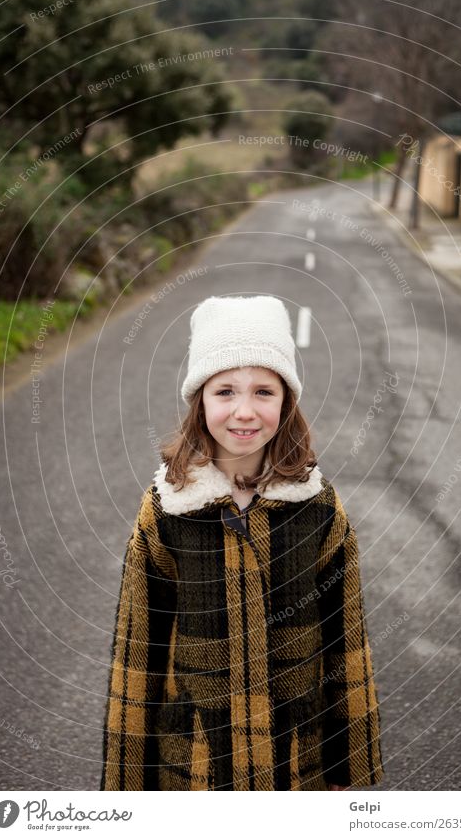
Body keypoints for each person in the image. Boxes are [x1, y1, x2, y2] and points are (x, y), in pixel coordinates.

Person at [100, 294, 384, 791]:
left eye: (264, 392)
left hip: (296, 767)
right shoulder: (167, 511)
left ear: (286, 401)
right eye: (225, 391)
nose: (245, 412)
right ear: (200, 401)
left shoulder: (317, 508)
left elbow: (346, 641)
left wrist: (346, 762)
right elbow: (137, 652)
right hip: (195, 768)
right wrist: (128, 787)